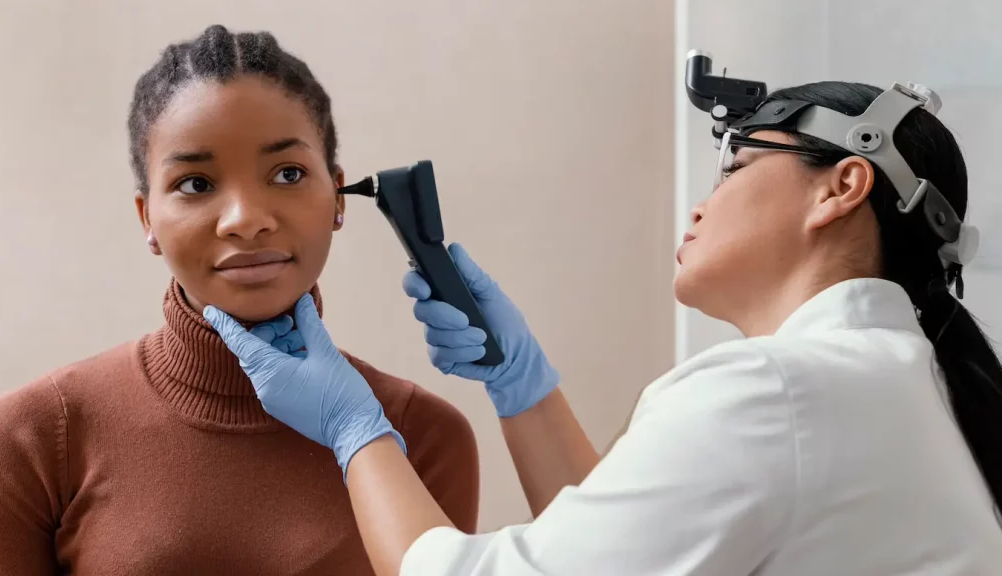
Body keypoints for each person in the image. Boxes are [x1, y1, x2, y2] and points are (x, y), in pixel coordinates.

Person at [208, 78, 1002, 575]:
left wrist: (353, 426)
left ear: (842, 186)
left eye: (735, 166)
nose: (702, 201)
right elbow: (635, 546)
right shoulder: (893, 386)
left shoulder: (779, 393)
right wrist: (525, 391)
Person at [0, 25, 479, 575]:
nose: (245, 220)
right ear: (148, 219)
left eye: (288, 173)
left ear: (338, 198)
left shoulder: (426, 437)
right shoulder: (25, 441)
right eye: (195, 183)